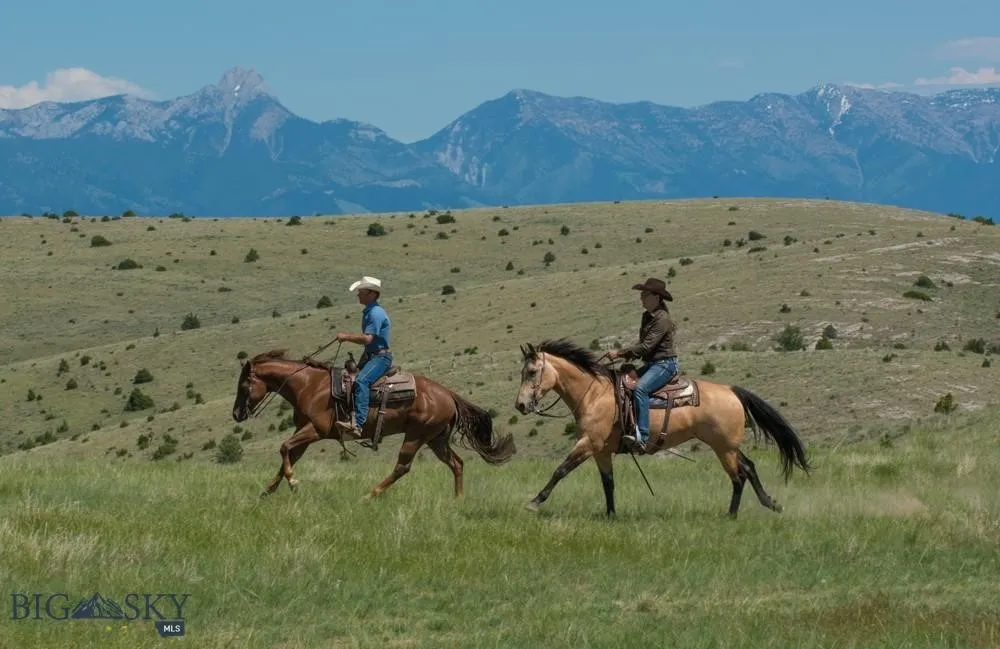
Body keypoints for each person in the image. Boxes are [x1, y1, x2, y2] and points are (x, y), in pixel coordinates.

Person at [606, 277, 679, 451]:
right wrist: (627, 359)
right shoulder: (648, 316)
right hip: (653, 364)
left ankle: (643, 437)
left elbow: (646, 346)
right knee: (622, 383)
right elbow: (643, 346)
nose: (641, 298)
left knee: (640, 389)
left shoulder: (662, 319)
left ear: (656, 297)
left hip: (665, 364)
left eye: (645, 295)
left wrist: (620, 353)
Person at [333, 276, 393, 439]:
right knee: (348, 379)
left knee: (361, 381)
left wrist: (346, 337)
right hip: (370, 356)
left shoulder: (375, 313)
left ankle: (358, 425)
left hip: (380, 358)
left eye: (361, 292)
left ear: (372, 294)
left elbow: (368, 339)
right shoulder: (370, 312)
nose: (358, 294)